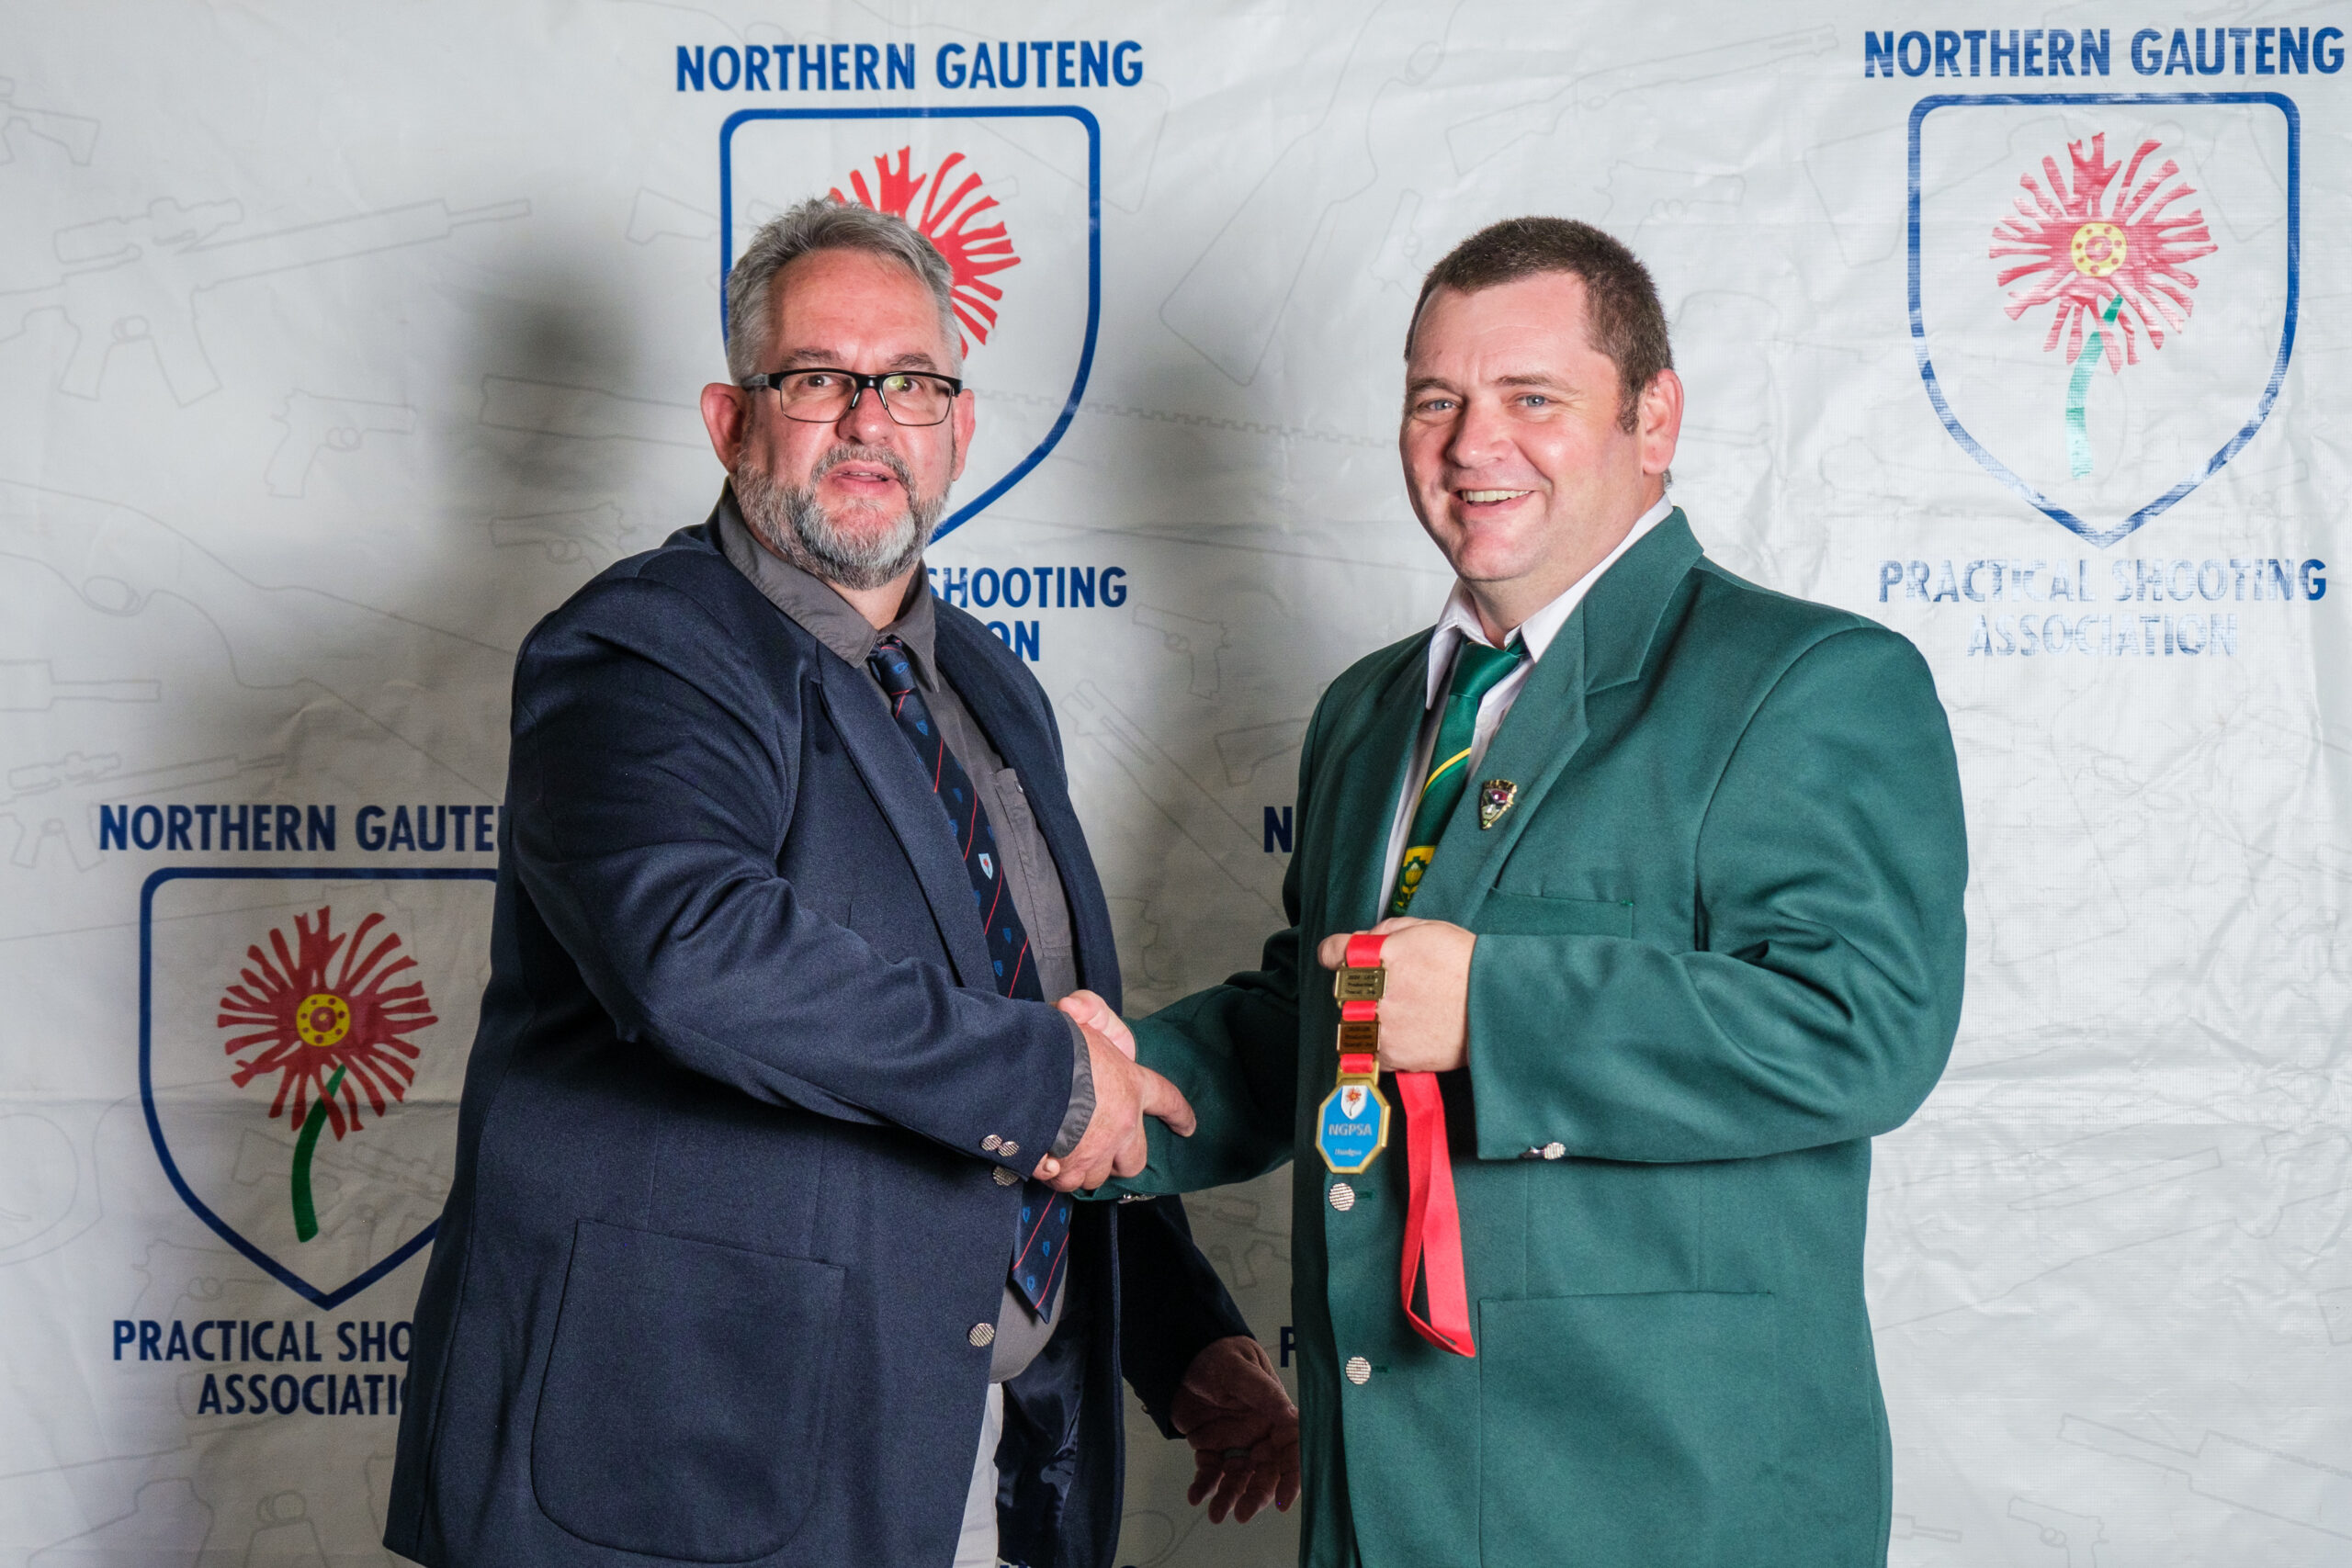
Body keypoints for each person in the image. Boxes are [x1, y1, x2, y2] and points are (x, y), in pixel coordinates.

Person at [386, 197, 1298, 1568]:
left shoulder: (989, 686)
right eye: (819, 378)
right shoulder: (643, 650)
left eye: (913, 382)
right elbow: (695, 951)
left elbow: (1047, 1025)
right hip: (688, 1472)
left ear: (959, 429)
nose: (872, 420)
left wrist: (1178, 1339)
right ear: (730, 421)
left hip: (960, 1452)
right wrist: (1054, 1081)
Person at [1059, 217, 1968, 1566]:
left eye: (1532, 398)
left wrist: (1490, 1011)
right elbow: (1329, 1015)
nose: (1473, 445)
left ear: (1653, 418)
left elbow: (1864, 1029)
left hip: (1665, 1512)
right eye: (1437, 400)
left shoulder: (1807, 682)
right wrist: (1126, 1094)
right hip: (1385, 1506)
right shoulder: (1368, 709)